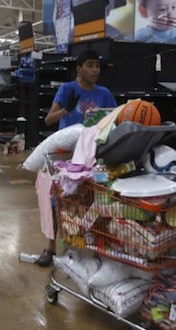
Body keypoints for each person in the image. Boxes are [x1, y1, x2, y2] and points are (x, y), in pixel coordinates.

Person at [38, 49, 118, 267]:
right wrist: (66, 110)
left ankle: (90, 247)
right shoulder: (67, 89)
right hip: (67, 157)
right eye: (90, 65)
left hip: (93, 156)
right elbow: (48, 120)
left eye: (98, 66)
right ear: (79, 69)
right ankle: (50, 247)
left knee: (91, 201)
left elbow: (115, 118)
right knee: (58, 200)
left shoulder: (104, 93)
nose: (95, 70)